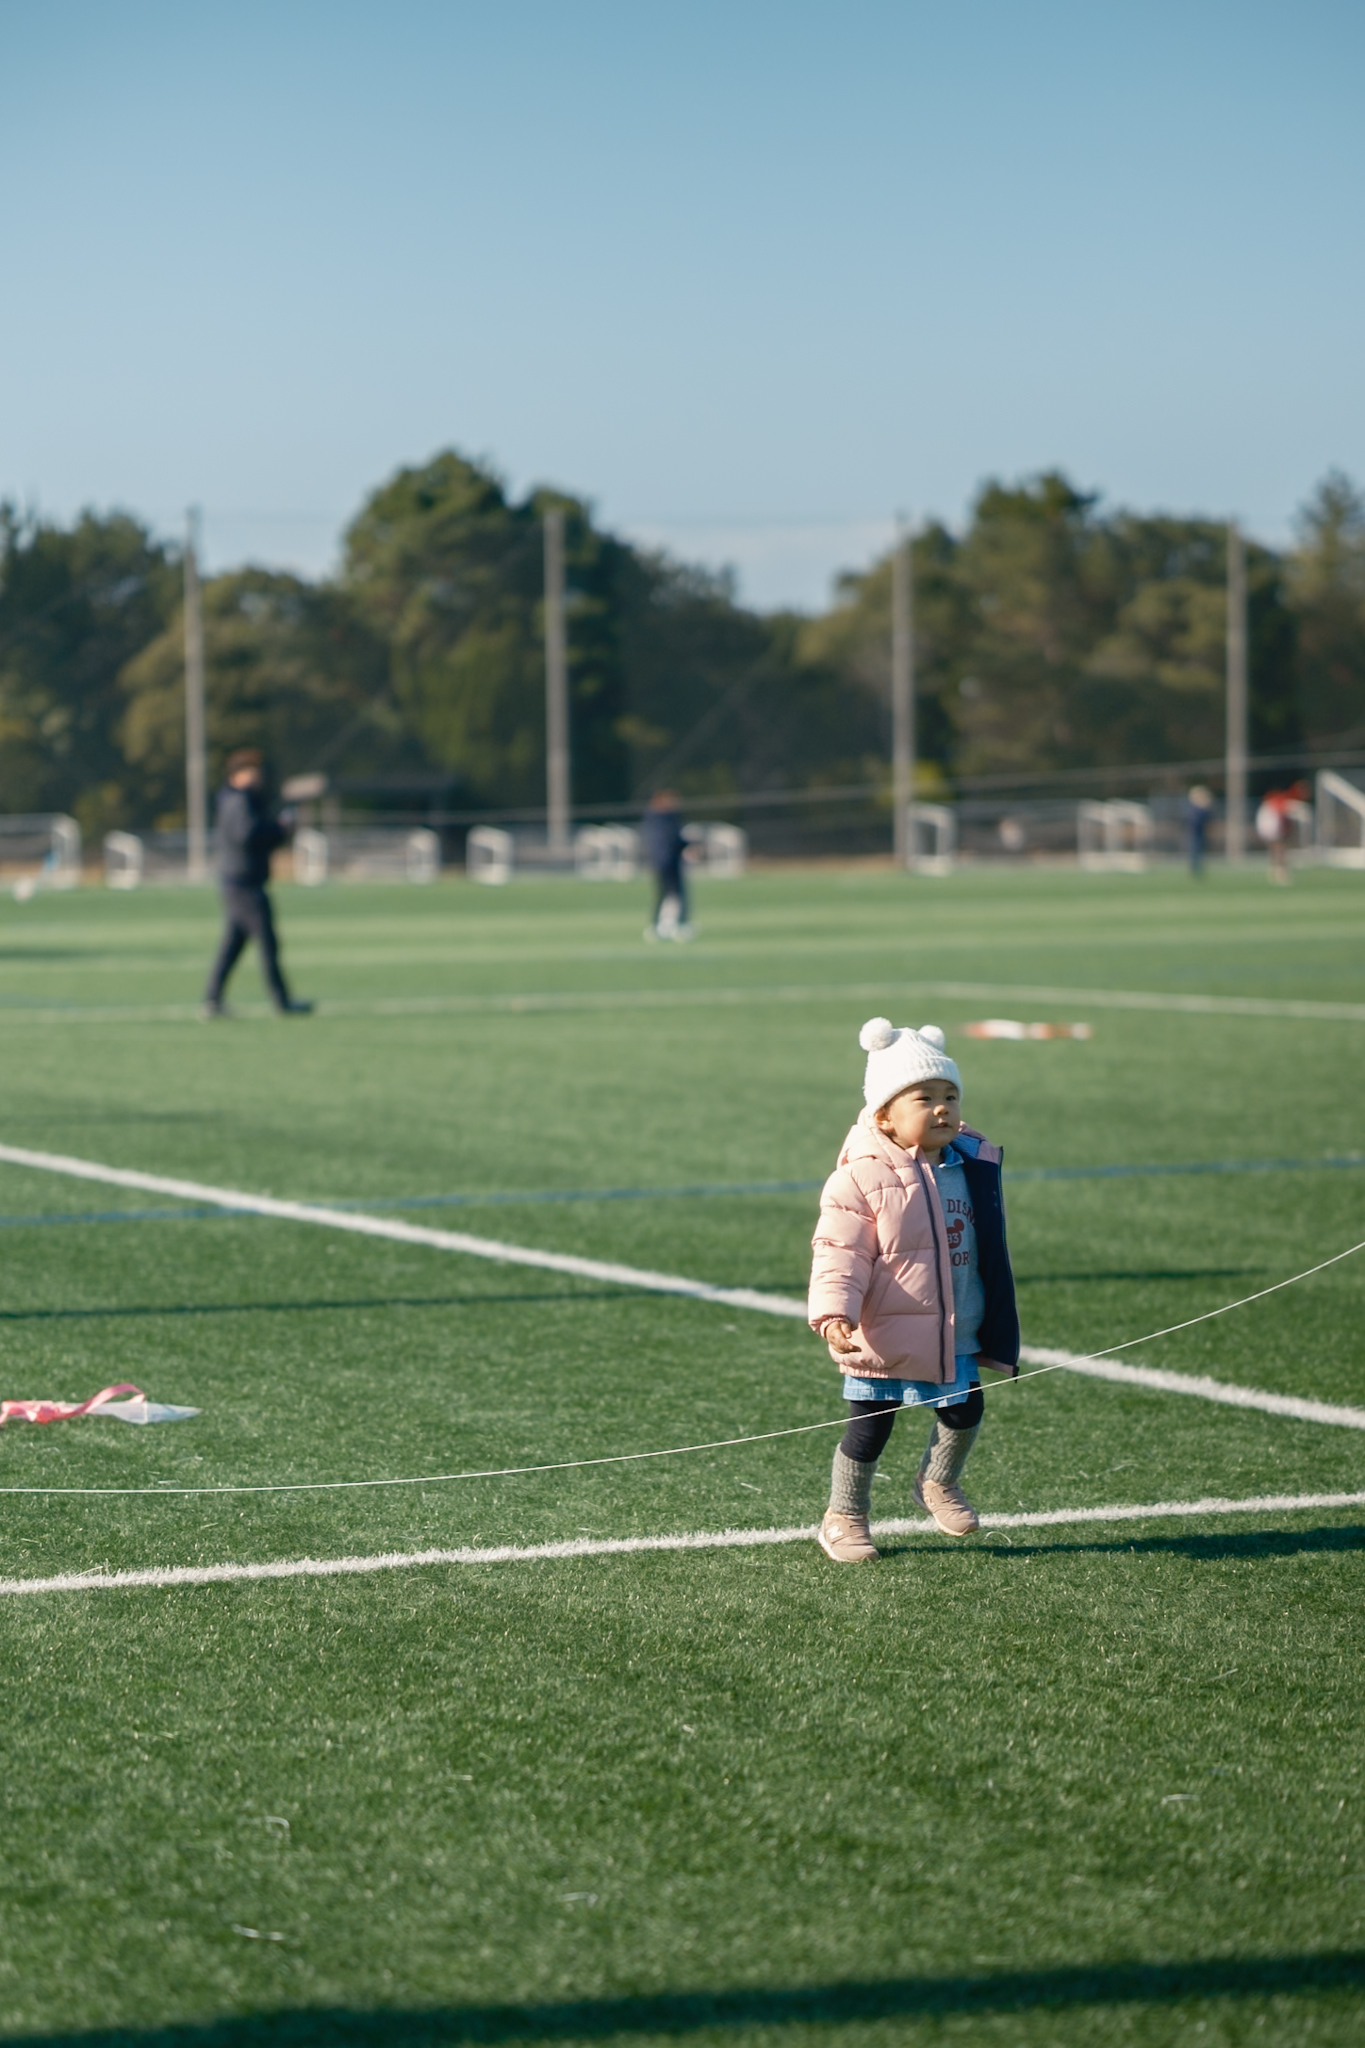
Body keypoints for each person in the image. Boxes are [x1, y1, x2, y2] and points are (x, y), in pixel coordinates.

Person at [807, 1017, 1019, 1563]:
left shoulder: (970, 1165)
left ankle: (937, 1482)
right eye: (924, 1099)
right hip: (882, 1331)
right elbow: (839, 1252)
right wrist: (834, 1314)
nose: (942, 1108)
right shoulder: (860, 1176)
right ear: (885, 1116)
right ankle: (844, 1516)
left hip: (957, 1325)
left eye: (950, 1096)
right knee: (869, 1429)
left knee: (964, 1411)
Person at [202, 749, 313, 1018]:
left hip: (238, 881)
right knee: (267, 942)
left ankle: (212, 999)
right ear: (237, 775)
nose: (257, 777)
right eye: (252, 772)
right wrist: (280, 829)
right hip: (245, 883)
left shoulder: (234, 800)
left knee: (232, 946)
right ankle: (281, 1001)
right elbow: (248, 834)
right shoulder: (240, 801)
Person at [640, 789, 692, 941]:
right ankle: (669, 924)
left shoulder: (659, 818)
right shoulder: (662, 819)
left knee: (668, 894)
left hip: (666, 861)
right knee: (672, 895)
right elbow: (670, 840)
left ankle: (666, 924)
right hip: (667, 862)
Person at [1254, 780, 1312, 886]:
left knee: (1278, 848)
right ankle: (1279, 870)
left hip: (1272, 823)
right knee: (1278, 847)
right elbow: (1281, 810)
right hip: (1271, 823)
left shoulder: (1281, 799)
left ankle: (1278, 869)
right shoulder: (1283, 799)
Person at [1184, 784, 1216, 877]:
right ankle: (1195, 869)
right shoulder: (1195, 809)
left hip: (1201, 833)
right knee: (1195, 851)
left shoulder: (1202, 809)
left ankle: (1198, 868)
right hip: (1195, 833)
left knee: (1199, 851)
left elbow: (1207, 820)